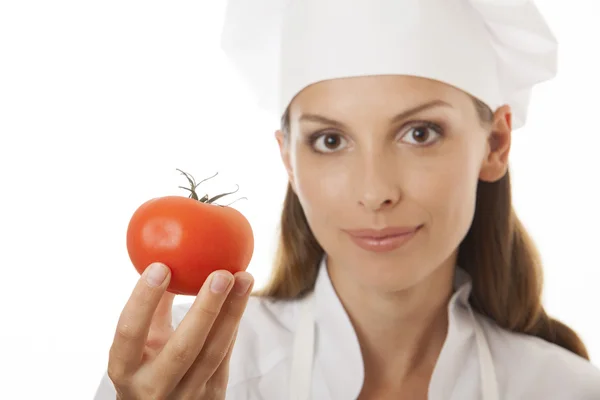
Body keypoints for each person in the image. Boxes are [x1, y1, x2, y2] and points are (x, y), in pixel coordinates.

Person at [94, 0, 600, 398]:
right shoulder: (182, 367)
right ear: (289, 159)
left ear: (495, 144)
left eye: (420, 133)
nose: (375, 192)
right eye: (330, 140)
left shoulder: (567, 390)